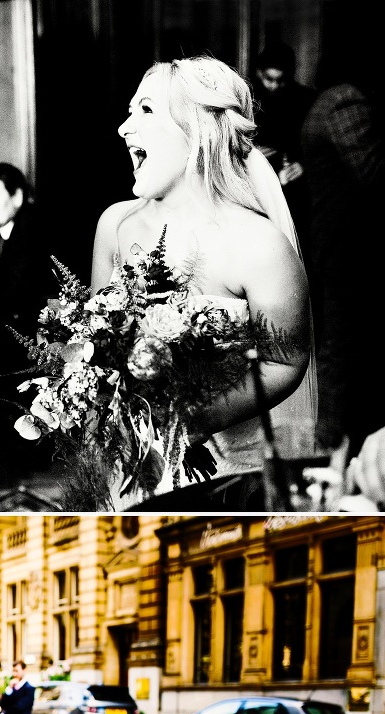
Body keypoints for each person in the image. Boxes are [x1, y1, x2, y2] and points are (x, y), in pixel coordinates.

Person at [90, 55, 315, 511]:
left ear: (198, 130)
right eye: (130, 111)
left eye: (146, 110)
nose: (124, 128)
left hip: (227, 473)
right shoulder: (115, 224)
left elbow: (286, 360)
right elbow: (96, 341)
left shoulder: (259, 244)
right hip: (128, 459)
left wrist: (199, 417)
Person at [300, 37, 384, 457]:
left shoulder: (330, 98)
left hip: (338, 244)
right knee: (343, 351)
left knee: (343, 349)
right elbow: (374, 173)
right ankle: (333, 452)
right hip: (349, 247)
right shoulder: (344, 101)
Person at [0, 163, 55, 495]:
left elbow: (16, 294)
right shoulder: (1, 232)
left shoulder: (32, 231)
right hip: (11, 331)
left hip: (31, 337)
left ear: (17, 196)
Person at [252, 43, 315, 255]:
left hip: (293, 188)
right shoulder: (248, 96)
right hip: (256, 186)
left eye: (281, 80)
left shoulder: (305, 98)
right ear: (259, 72)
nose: (274, 86)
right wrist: (251, 151)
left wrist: (303, 165)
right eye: (269, 79)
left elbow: (314, 143)